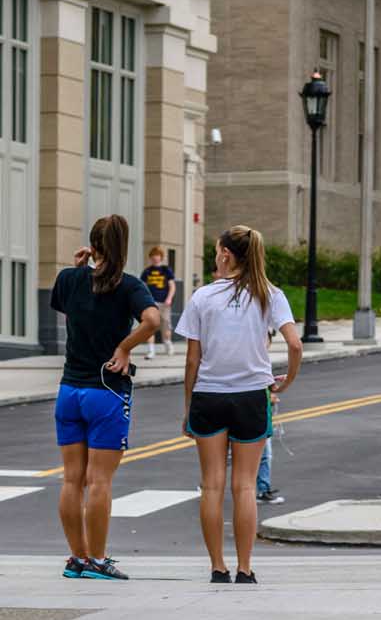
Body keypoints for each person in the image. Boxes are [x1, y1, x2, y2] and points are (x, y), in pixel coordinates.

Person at [178, 225, 301, 584]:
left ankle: (218, 567)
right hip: (251, 396)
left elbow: (191, 361)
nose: (216, 256)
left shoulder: (202, 297)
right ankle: (245, 568)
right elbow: (295, 344)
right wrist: (287, 380)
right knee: (245, 486)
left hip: (209, 396)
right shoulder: (270, 295)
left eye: (217, 251)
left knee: (212, 485)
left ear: (226, 255)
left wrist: (188, 407)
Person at [51, 215, 159, 581]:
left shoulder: (68, 278)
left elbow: (74, 308)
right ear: (123, 246)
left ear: (92, 245)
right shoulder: (129, 286)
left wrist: (78, 269)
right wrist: (125, 347)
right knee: (99, 481)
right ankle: (97, 559)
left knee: (71, 480)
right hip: (106, 390)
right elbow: (152, 321)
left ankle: (77, 558)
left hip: (69, 390)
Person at [139, 245, 175, 356]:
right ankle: (151, 350)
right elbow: (142, 286)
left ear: (161, 257)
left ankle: (168, 344)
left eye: (157, 255)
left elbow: (172, 286)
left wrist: (169, 298)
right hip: (150, 303)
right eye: (153, 255)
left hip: (164, 302)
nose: (155, 258)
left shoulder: (166, 270)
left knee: (166, 325)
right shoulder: (147, 271)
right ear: (150, 257)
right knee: (150, 325)